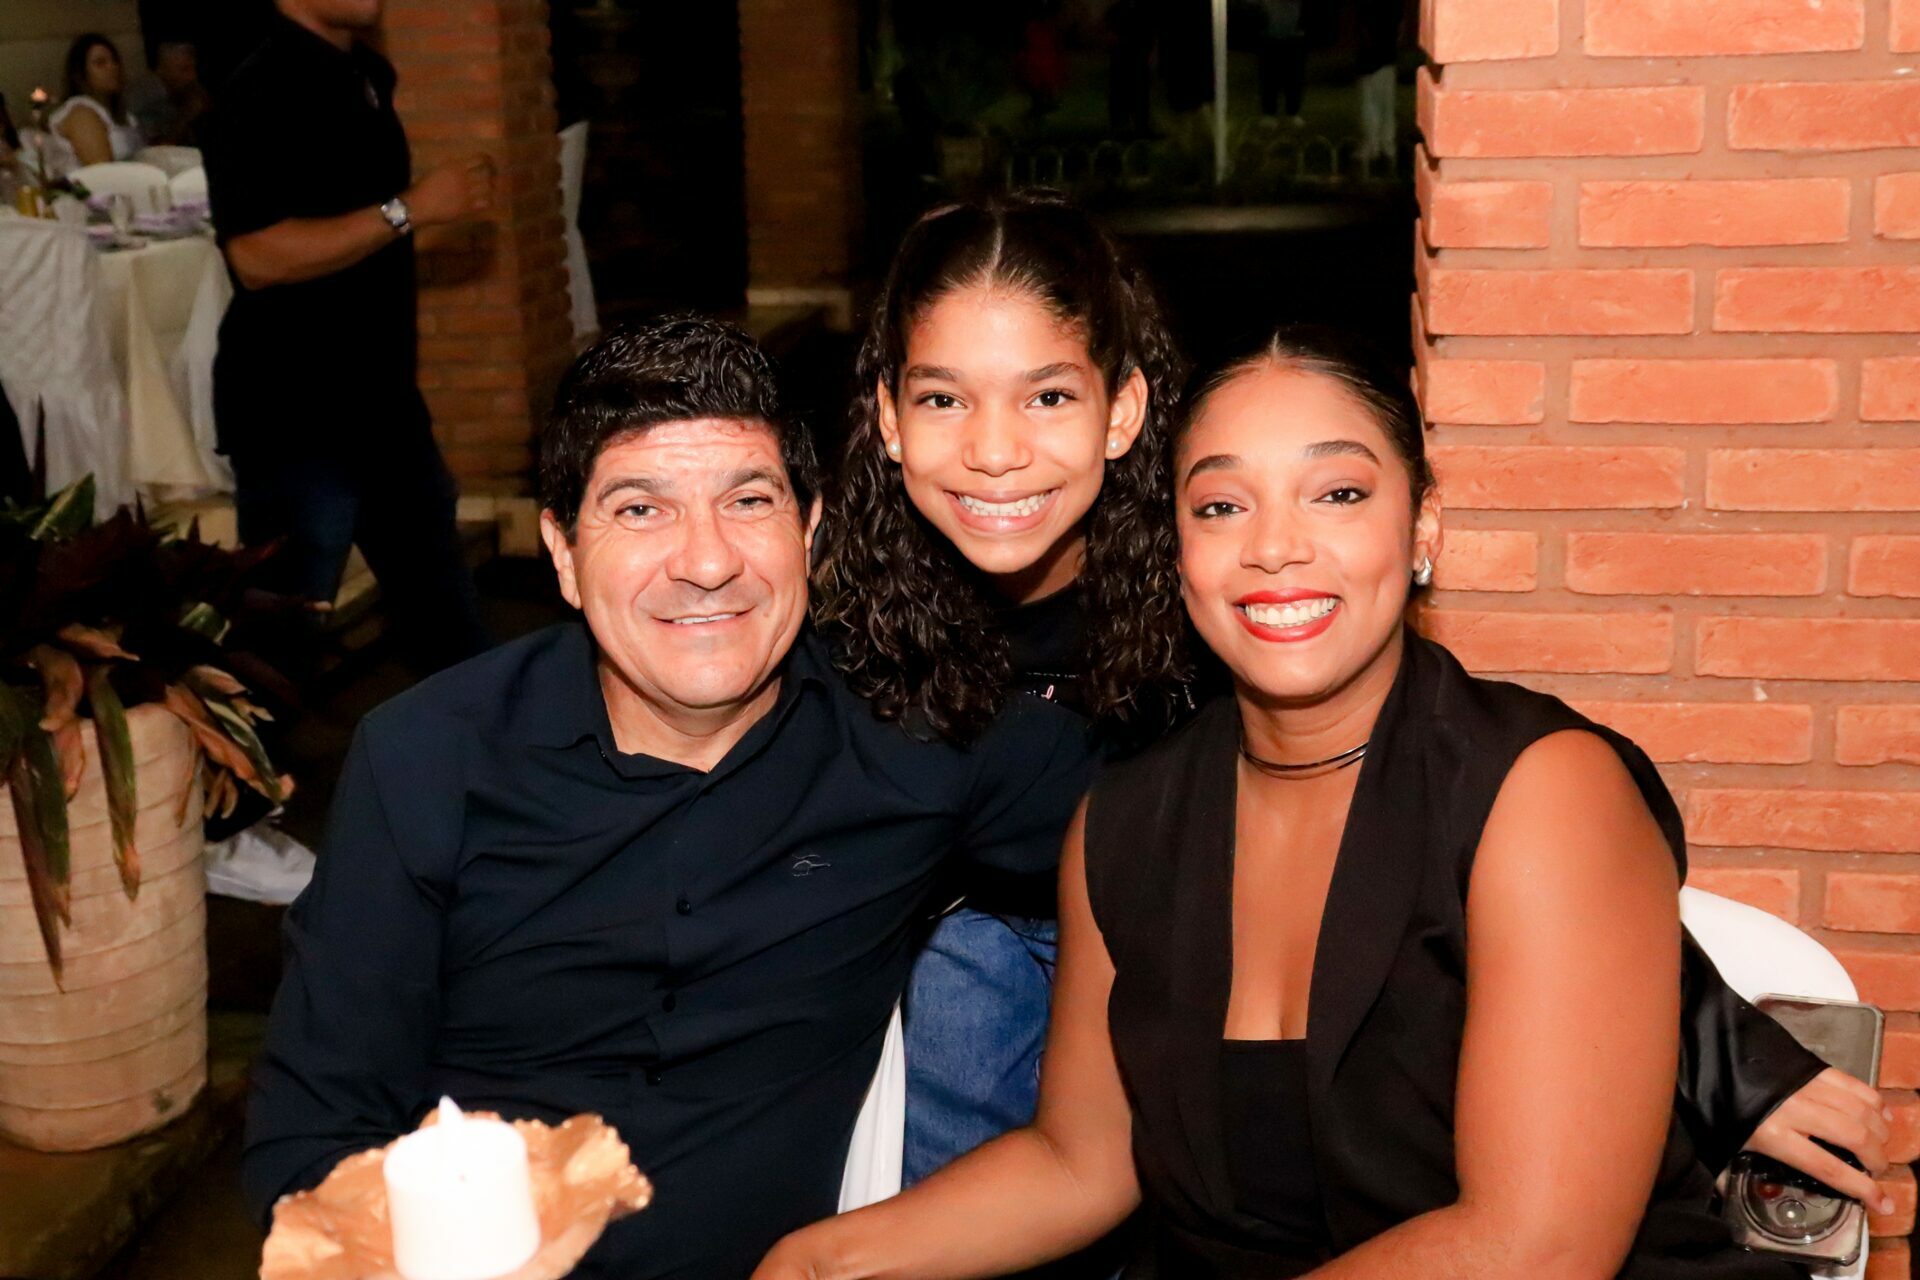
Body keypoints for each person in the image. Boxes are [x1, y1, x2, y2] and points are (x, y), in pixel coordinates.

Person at [816, 193, 1878, 1228]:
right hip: (997, 955)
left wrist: (1725, 1057)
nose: (995, 451)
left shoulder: (1216, 588)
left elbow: (1472, 823)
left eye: (1047, 398)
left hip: (1209, 960)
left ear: (1120, 411)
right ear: (891, 419)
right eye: (945, 400)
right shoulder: (843, 626)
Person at [240, 315, 1097, 1280]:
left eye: (749, 501)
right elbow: (311, 1135)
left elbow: (1184, 816)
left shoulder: (922, 737)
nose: (706, 561)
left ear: (810, 530)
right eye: (641, 509)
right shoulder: (428, 757)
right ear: (563, 552)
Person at [200, 0, 492, 672]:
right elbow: (257, 257)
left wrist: (420, 222)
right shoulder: (259, 88)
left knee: (451, 634)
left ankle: (479, 738)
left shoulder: (363, 74)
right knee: (277, 657)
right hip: (296, 414)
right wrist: (412, 208)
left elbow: (353, 243)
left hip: (382, 403)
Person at [52, 35, 144, 168]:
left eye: (114, 61)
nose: (112, 67)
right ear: (80, 74)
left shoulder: (119, 110)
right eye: (100, 63)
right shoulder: (81, 113)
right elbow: (102, 171)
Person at [129, 41, 211, 147]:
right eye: (184, 70)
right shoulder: (144, 98)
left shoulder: (182, 88)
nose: (192, 76)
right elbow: (156, 148)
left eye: (193, 68)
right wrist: (186, 115)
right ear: (161, 70)